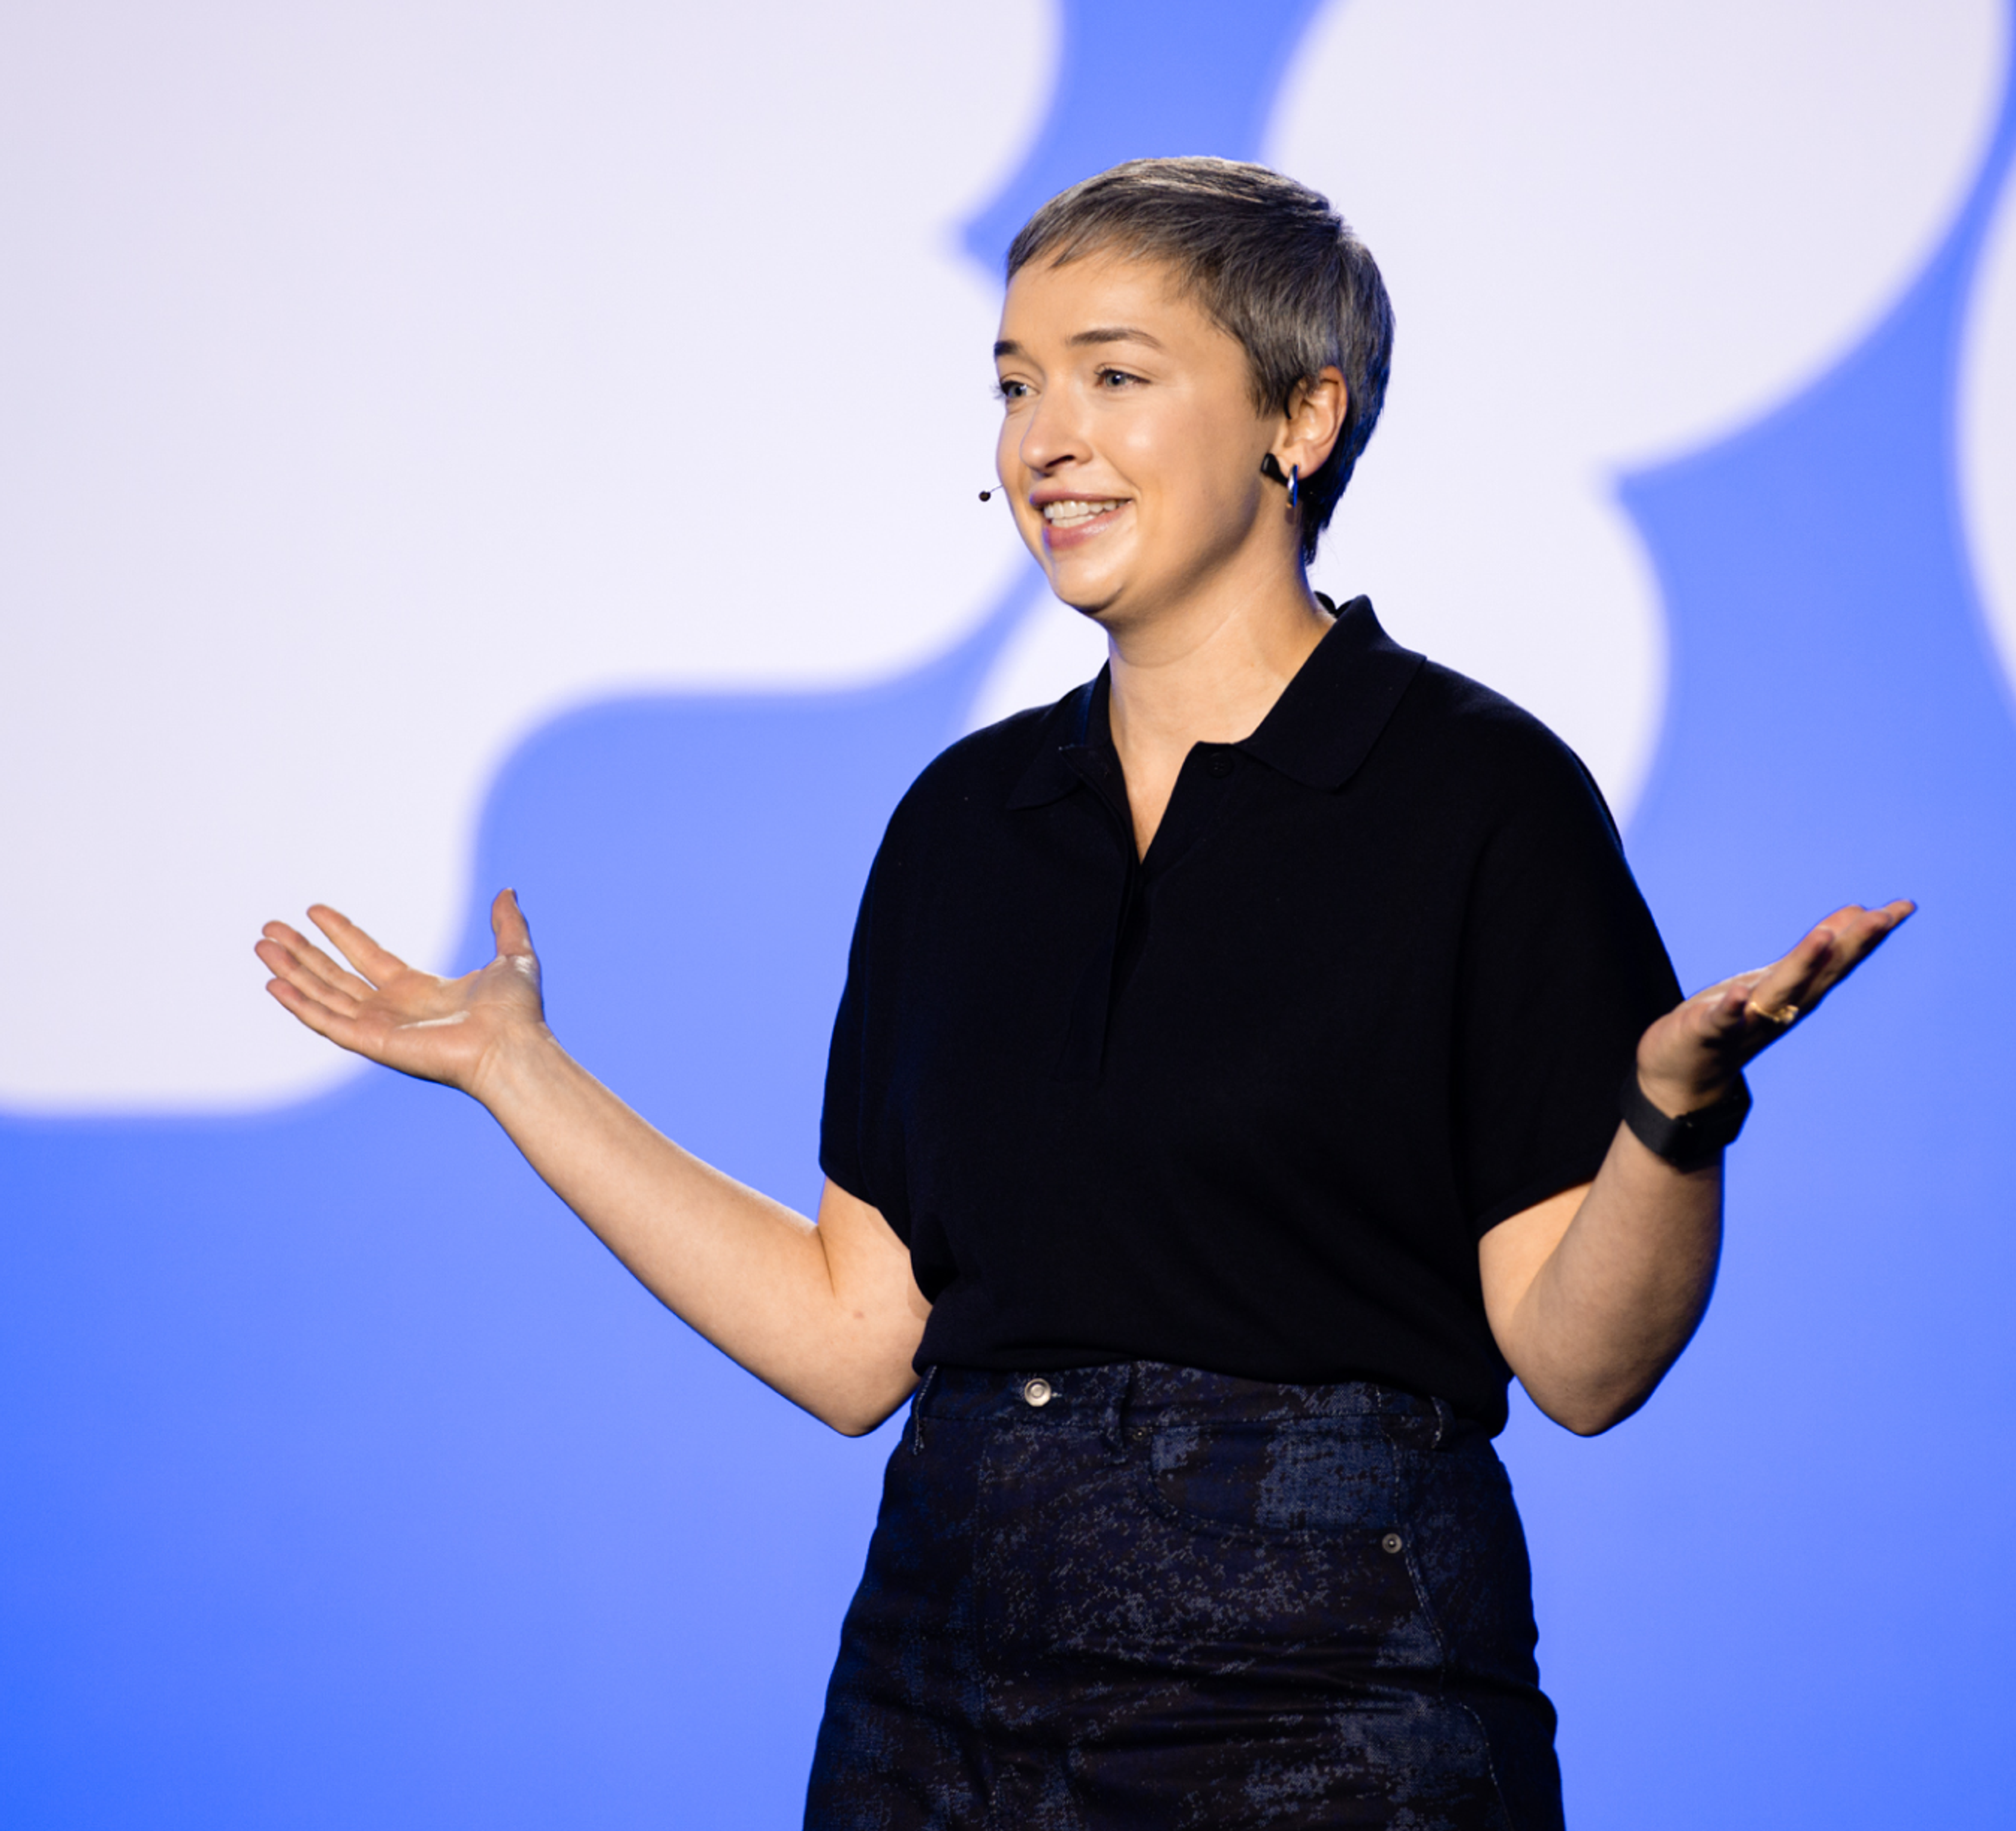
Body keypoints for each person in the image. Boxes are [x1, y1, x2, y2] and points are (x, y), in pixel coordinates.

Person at [257, 157, 1910, 1829]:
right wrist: (516, 1071)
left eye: (1116, 376)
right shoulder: (967, 823)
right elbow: (853, 1338)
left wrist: (1673, 1118)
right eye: (1015, 384)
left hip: (1335, 1704)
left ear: (1302, 418)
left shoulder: (1479, 796)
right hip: (941, 1697)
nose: (1044, 438)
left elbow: (1579, 1365)